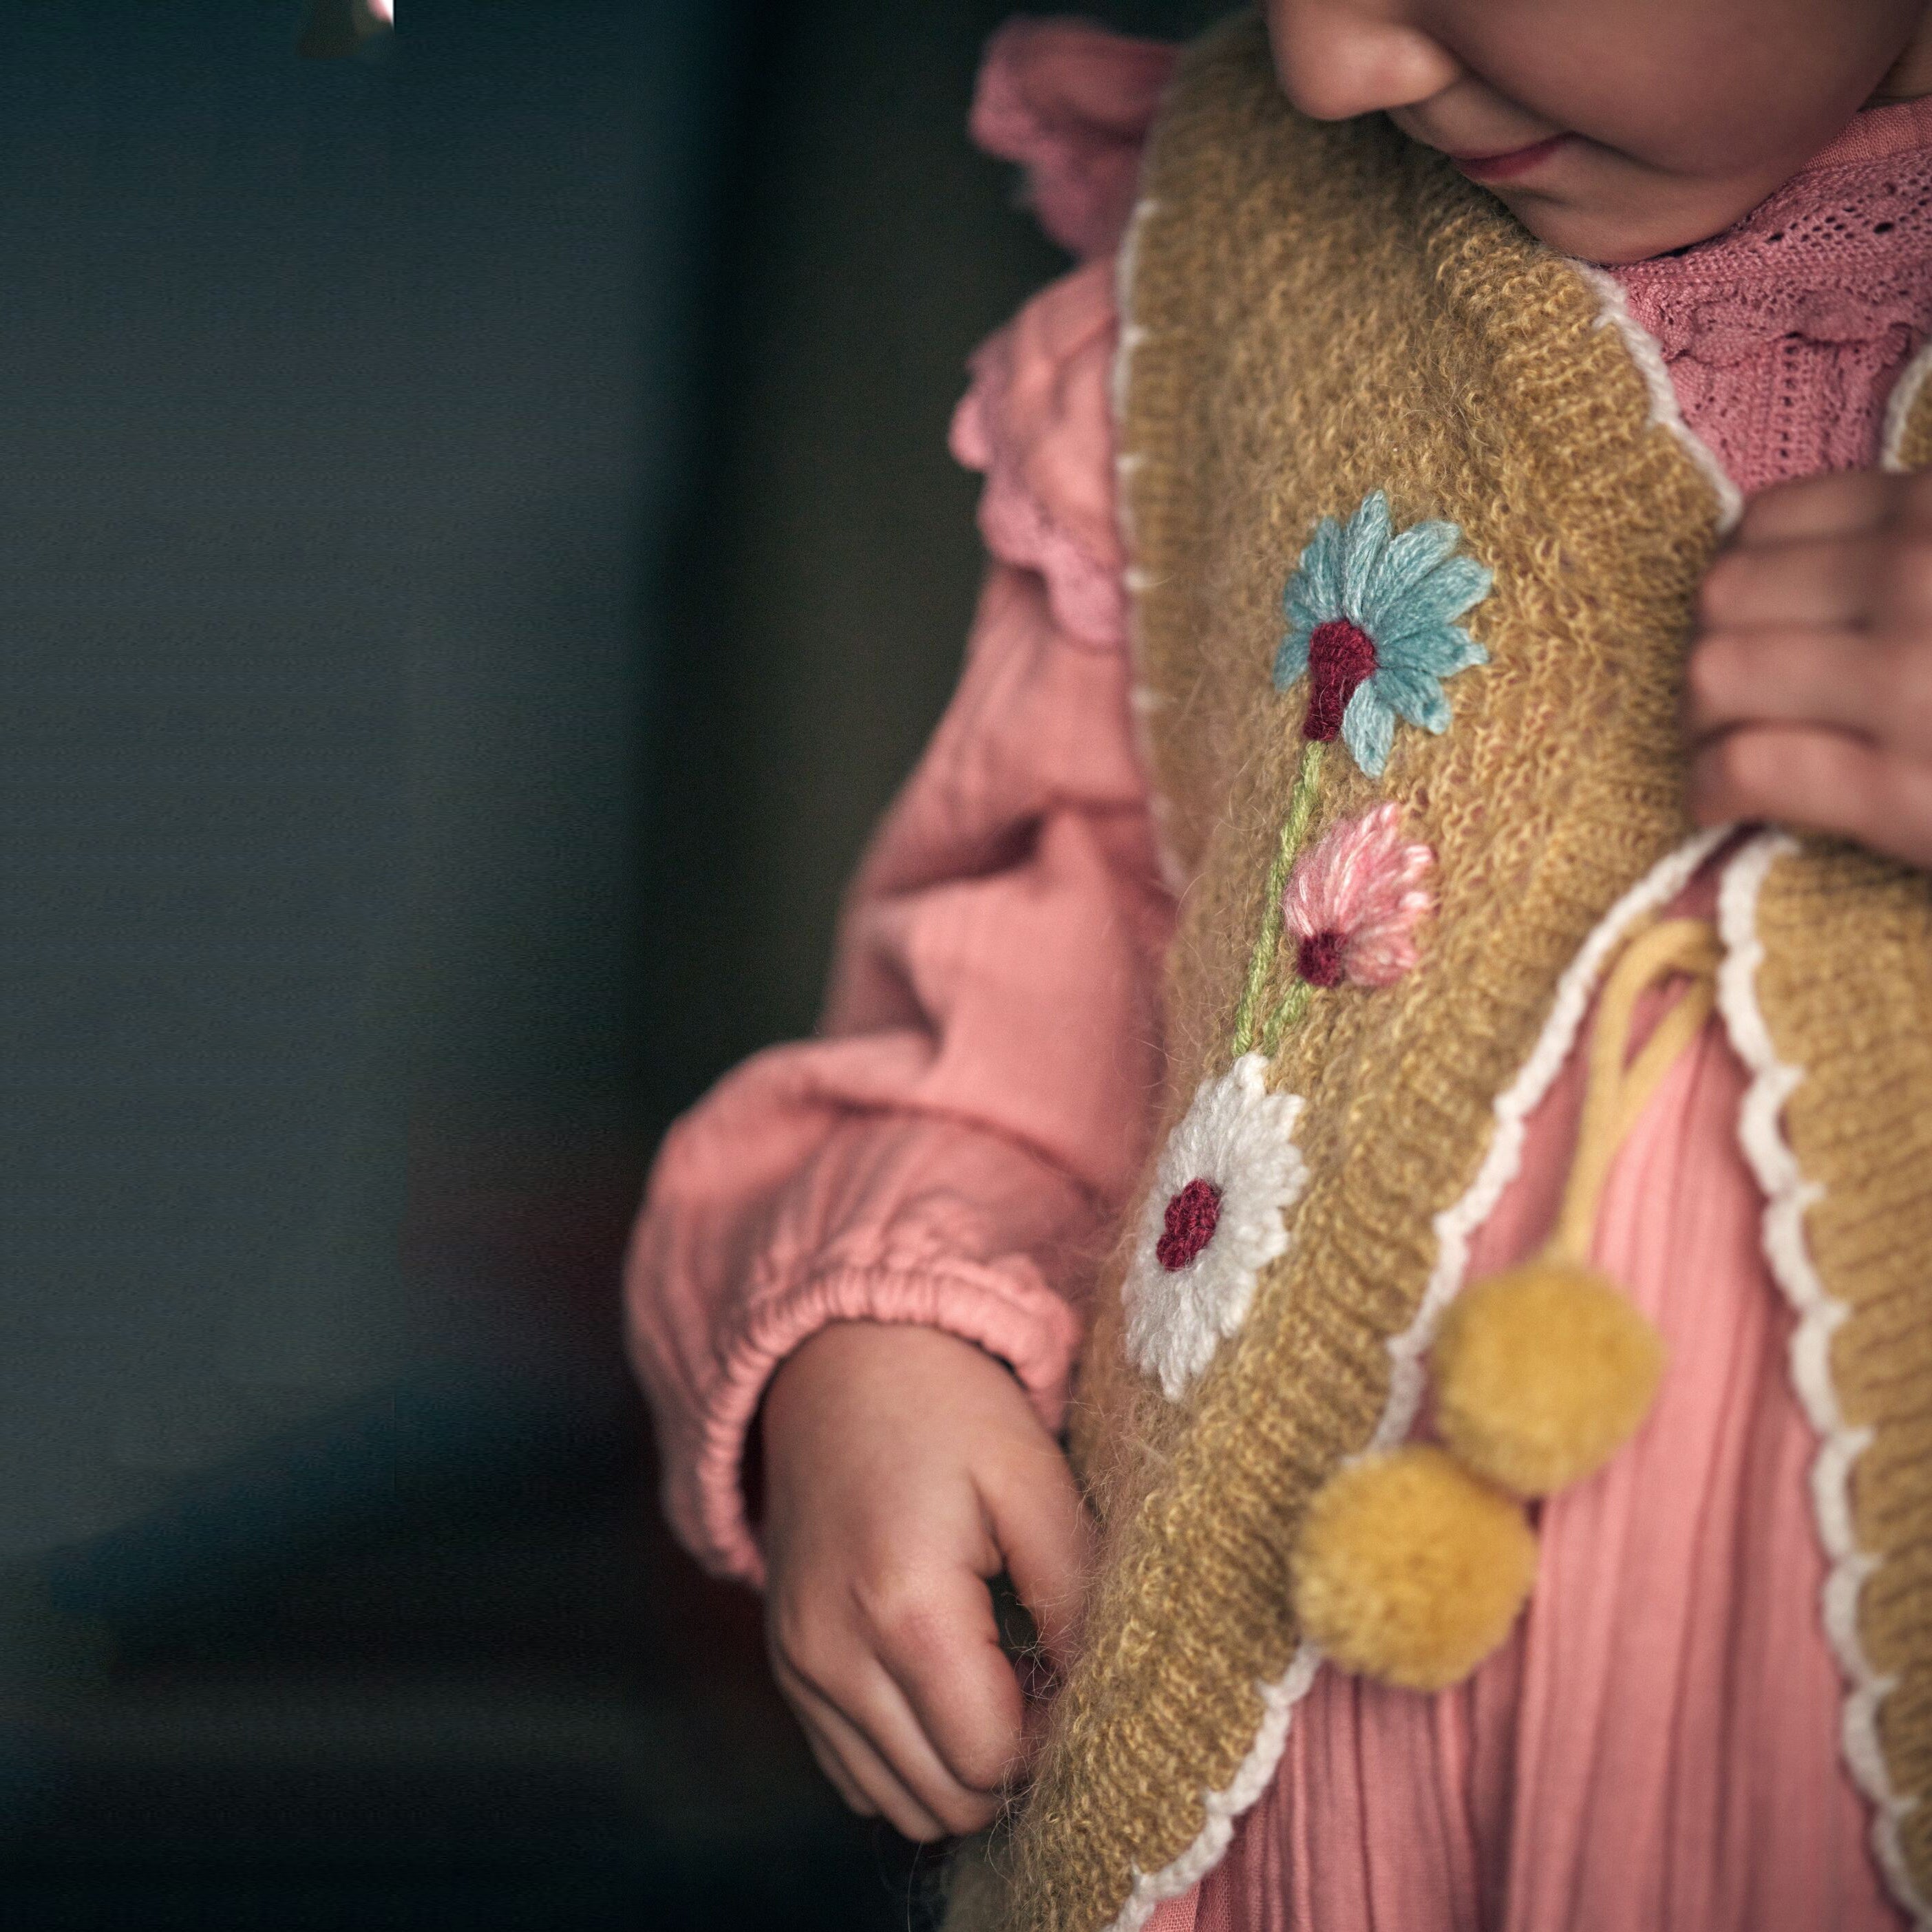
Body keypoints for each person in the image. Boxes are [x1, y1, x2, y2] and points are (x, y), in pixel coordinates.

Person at [626, 6, 1932, 1928]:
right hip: (1307, 1822)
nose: (1332, 64)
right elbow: (1018, 971)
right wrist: (882, 1335)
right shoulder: (1243, 291)